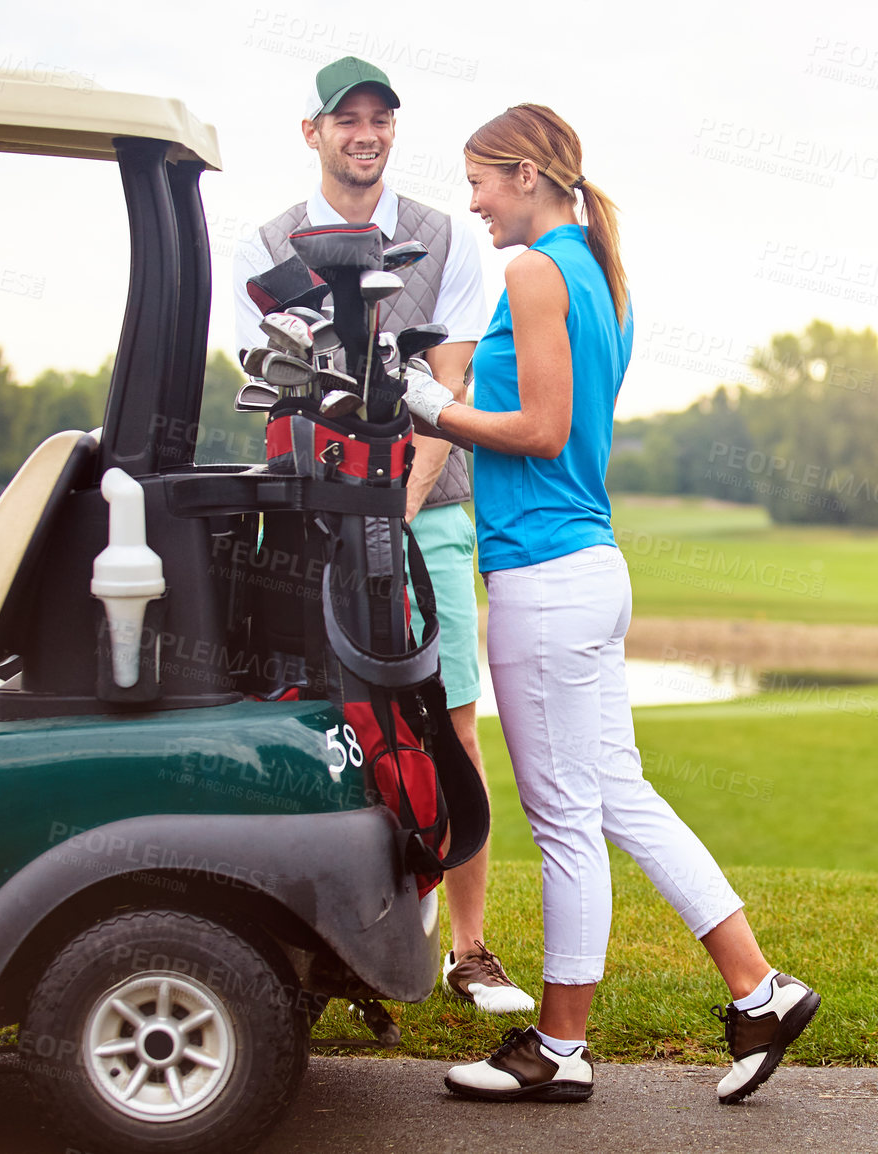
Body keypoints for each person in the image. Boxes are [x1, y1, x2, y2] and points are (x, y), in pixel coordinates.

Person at [405, 103, 819, 1104]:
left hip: (545, 578)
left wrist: (434, 409)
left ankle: (558, 1044)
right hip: (586, 569)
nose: (474, 203)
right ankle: (760, 988)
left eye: (483, 182)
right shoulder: (599, 273)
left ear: (529, 174)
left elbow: (544, 428)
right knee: (617, 794)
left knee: (563, 820)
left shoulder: (537, 271)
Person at [232, 56, 534, 1020]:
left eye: (380, 119)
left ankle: (470, 949)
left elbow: (446, 399)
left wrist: (390, 522)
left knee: (447, 719)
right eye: (346, 119)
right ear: (314, 132)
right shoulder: (269, 240)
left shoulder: (443, 238)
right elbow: (275, 386)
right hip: (312, 522)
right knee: (324, 719)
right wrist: (347, 523)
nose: (365, 133)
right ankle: (334, 939)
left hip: (429, 516)